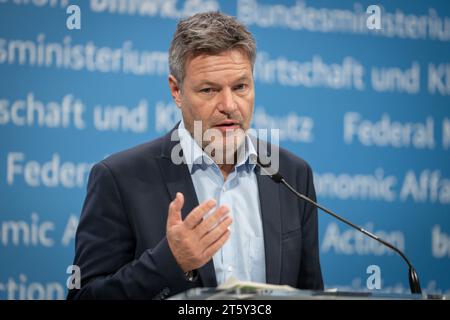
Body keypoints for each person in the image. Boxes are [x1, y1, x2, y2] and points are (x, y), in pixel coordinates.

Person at [68, 11, 323, 300]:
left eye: (240, 86)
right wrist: (170, 261)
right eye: (208, 90)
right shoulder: (119, 178)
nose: (229, 105)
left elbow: (310, 293)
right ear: (176, 91)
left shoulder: (292, 174)